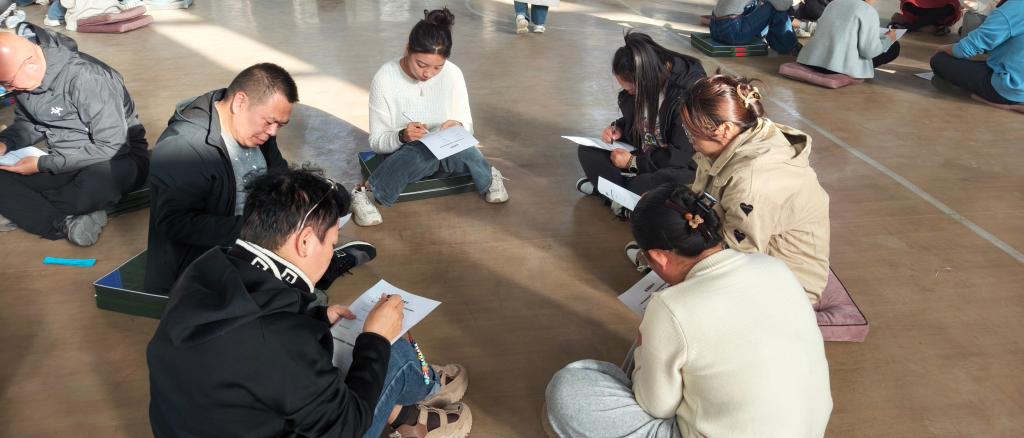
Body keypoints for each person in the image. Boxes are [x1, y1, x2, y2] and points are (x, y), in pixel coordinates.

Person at [147, 168, 473, 438]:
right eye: (332, 243)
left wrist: (316, 317)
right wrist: (375, 339)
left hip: (205, 421)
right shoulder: (280, 342)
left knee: (352, 339)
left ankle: (404, 410)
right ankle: (421, 387)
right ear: (304, 242)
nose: (332, 253)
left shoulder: (207, 267)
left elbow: (254, 345)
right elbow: (346, 426)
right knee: (390, 352)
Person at [547, 184, 833, 438]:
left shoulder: (670, 306)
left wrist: (644, 348)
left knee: (569, 388)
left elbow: (656, 407)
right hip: (808, 430)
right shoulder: (773, 266)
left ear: (658, 257)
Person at [145, 63, 375, 297]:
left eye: (280, 125)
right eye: (269, 122)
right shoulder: (183, 149)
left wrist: (318, 195)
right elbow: (173, 223)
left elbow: (280, 176)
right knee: (297, 294)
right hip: (203, 262)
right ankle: (321, 269)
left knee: (315, 218)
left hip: (252, 237)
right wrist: (257, 229)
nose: (273, 132)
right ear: (240, 102)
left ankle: (318, 265)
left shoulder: (257, 130)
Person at [628, 75, 831, 304]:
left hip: (789, 286)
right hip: (748, 246)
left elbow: (740, 257)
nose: (690, 140)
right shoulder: (740, 135)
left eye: (691, 133)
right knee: (655, 223)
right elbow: (705, 194)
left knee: (675, 301)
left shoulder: (753, 180)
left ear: (724, 129)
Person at [352, 7, 508, 227]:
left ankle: (490, 177)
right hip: (407, 154)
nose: (428, 74)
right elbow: (377, 142)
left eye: (437, 68)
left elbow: (468, 126)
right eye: (421, 65)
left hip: (448, 148)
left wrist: (459, 125)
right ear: (407, 50)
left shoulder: (453, 74)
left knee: (465, 149)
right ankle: (364, 193)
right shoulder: (385, 78)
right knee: (420, 152)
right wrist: (402, 136)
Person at [0, 23, 148, 245]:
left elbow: (111, 146)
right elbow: (30, 124)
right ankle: (65, 222)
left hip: (117, 157)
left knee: (90, 190)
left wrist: (42, 165)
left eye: (8, 84)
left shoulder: (87, 78)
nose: (8, 90)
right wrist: (6, 143)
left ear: (30, 63)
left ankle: (40, 212)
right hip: (63, 157)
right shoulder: (24, 84)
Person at [576, 32, 705, 217]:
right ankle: (622, 200)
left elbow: (680, 156)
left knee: (646, 183)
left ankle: (612, 193)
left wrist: (633, 163)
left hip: (673, 164)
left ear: (646, 80)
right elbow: (644, 122)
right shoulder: (646, 84)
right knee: (588, 151)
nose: (628, 93)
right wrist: (619, 128)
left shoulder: (688, 94)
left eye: (632, 90)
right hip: (645, 154)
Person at [930, 0, 1023, 108]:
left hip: (1011, 89)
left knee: (939, 59)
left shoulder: (1015, 7)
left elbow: (965, 49)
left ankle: (1003, 101)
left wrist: (942, 48)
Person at [796, 0, 902, 79]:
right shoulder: (869, 11)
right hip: (838, 69)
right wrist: (889, 39)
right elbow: (868, 52)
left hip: (811, 61)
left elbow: (819, 28)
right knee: (894, 47)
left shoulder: (834, 3)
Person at [709, 0, 801, 56]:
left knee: (756, 3)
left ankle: (762, 36)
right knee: (776, 8)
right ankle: (790, 46)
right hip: (732, 33)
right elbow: (783, 6)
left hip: (715, 29)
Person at [890, 0, 963, 35]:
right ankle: (930, 27)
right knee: (908, 5)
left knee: (950, 7)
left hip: (942, 8)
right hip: (920, 7)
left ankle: (911, 27)